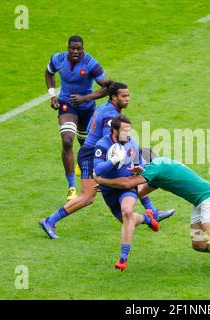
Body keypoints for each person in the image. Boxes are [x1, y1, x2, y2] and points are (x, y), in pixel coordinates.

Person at [94, 150, 210, 278]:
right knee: (199, 244)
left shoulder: (155, 168)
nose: (132, 167)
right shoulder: (158, 170)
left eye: (135, 163)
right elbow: (137, 192)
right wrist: (110, 190)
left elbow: (128, 185)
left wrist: (103, 181)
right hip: (199, 204)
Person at [39, 83, 174, 239]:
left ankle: (151, 213)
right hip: (94, 156)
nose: (128, 99)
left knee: (131, 181)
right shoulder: (111, 117)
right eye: (124, 96)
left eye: (128, 95)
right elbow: (111, 145)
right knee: (88, 196)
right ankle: (50, 221)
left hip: (91, 153)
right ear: (113, 97)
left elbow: (94, 131)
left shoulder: (104, 107)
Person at [93, 115, 174, 272]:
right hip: (108, 190)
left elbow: (142, 166)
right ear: (114, 130)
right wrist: (113, 160)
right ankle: (147, 218)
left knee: (127, 212)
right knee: (126, 221)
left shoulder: (133, 144)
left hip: (127, 186)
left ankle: (123, 258)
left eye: (129, 130)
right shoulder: (102, 145)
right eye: (125, 130)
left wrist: (139, 169)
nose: (128, 134)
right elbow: (98, 170)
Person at [45, 35, 112, 201]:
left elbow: (108, 86)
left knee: (86, 144)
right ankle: (71, 187)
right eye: (72, 48)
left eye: (78, 49)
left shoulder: (90, 63)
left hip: (87, 108)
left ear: (83, 49)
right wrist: (53, 95)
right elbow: (48, 73)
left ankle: (92, 173)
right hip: (67, 105)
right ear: (68, 48)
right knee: (67, 140)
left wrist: (86, 98)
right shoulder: (58, 59)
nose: (75, 51)